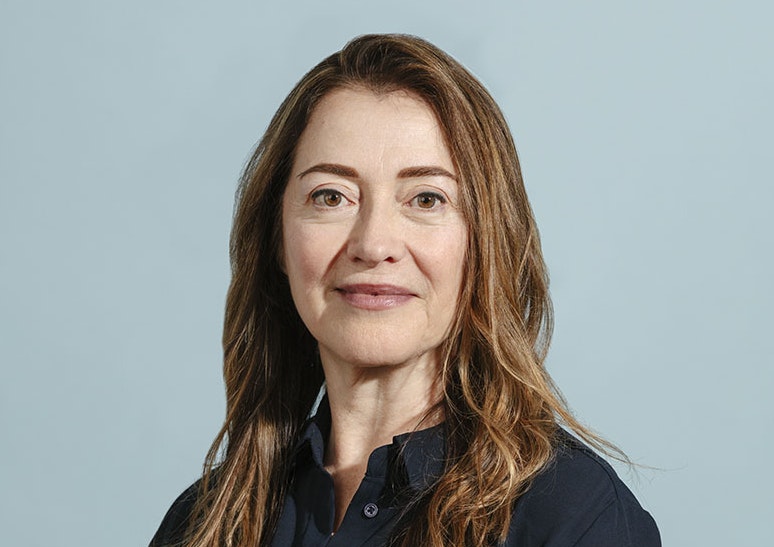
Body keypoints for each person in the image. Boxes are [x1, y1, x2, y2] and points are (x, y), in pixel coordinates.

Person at [149, 34, 660, 546]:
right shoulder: (202, 521)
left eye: (426, 199)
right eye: (331, 196)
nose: (373, 245)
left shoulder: (577, 519)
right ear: (277, 240)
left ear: (485, 243)